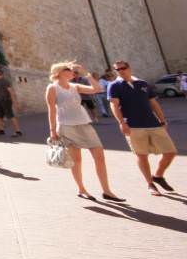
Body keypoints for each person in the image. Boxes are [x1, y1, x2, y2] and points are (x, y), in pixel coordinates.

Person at [46, 62, 123, 202]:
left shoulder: (75, 86)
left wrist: (85, 72)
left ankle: (107, 191)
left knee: (99, 157)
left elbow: (97, 88)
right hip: (66, 126)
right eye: (67, 69)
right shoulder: (52, 88)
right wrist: (52, 130)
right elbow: (51, 110)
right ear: (58, 73)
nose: (71, 71)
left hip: (84, 124)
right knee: (77, 160)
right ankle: (81, 189)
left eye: (71, 69)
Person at [108, 60, 178, 196]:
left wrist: (162, 120)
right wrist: (122, 123)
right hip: (133, 126)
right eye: (118, 70)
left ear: (129, 68)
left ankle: (158, 176)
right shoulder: (114, 85)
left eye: (123, 68)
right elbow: (114, 106)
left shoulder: (143, 84)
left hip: (153, 123)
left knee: (170, 152)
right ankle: (150, 184)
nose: (121, 71)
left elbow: (153, 103)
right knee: (142, 155)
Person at [0, 66, 22, 137]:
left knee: (11, 116)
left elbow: (11, 92)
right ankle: (1, 131)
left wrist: (15, 102)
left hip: (6, 101)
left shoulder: (5, 81)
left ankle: (18, 131)